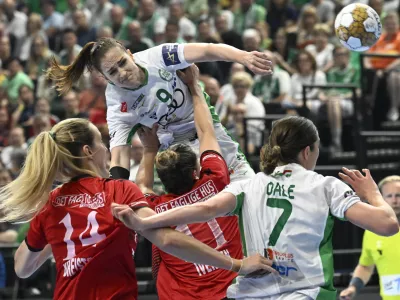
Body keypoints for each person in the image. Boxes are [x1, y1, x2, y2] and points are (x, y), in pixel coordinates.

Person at [112, 116, 399, 300]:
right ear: (308, 151)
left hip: (251, 293)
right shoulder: (323, 185)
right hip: (305, 292)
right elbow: (388, 225)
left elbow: (204, 209)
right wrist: (372, 193)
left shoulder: (249, 185)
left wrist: (146, 222)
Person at [0, 118, 274, 300]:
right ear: (88, 151)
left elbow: (23, 268)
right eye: (101, 143)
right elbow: (166, 239)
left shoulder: (51, 204)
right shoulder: (118, 191)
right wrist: (237, 264)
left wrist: (60, 237)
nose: (107, 150)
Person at [46, 38, 273, 182]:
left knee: (248, 189)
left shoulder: (159, 57)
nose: (123, 73)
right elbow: (120, 155)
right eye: (113, 72)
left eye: (123, 62)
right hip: (177, 155)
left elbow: (206, 50)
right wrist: (117, 189)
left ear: (130, 53)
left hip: (209, 133)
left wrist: (244, 57)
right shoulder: (118, 105)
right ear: (103, 77)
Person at [135, 65, 243, 299]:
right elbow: (206, 133)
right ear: (196, 171)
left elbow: (141, 187)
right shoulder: (214, 182)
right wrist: (195, 87)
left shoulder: (155, 209)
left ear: (162, 181)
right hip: (233, 288)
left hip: (186, 295)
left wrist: (149, 147)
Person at [340, 175, 400, 300]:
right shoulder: (374, 231)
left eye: (398, 195)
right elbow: (366, 266)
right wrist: (353, 287)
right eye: (389, 196)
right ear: (382, 199)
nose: (395, 200)